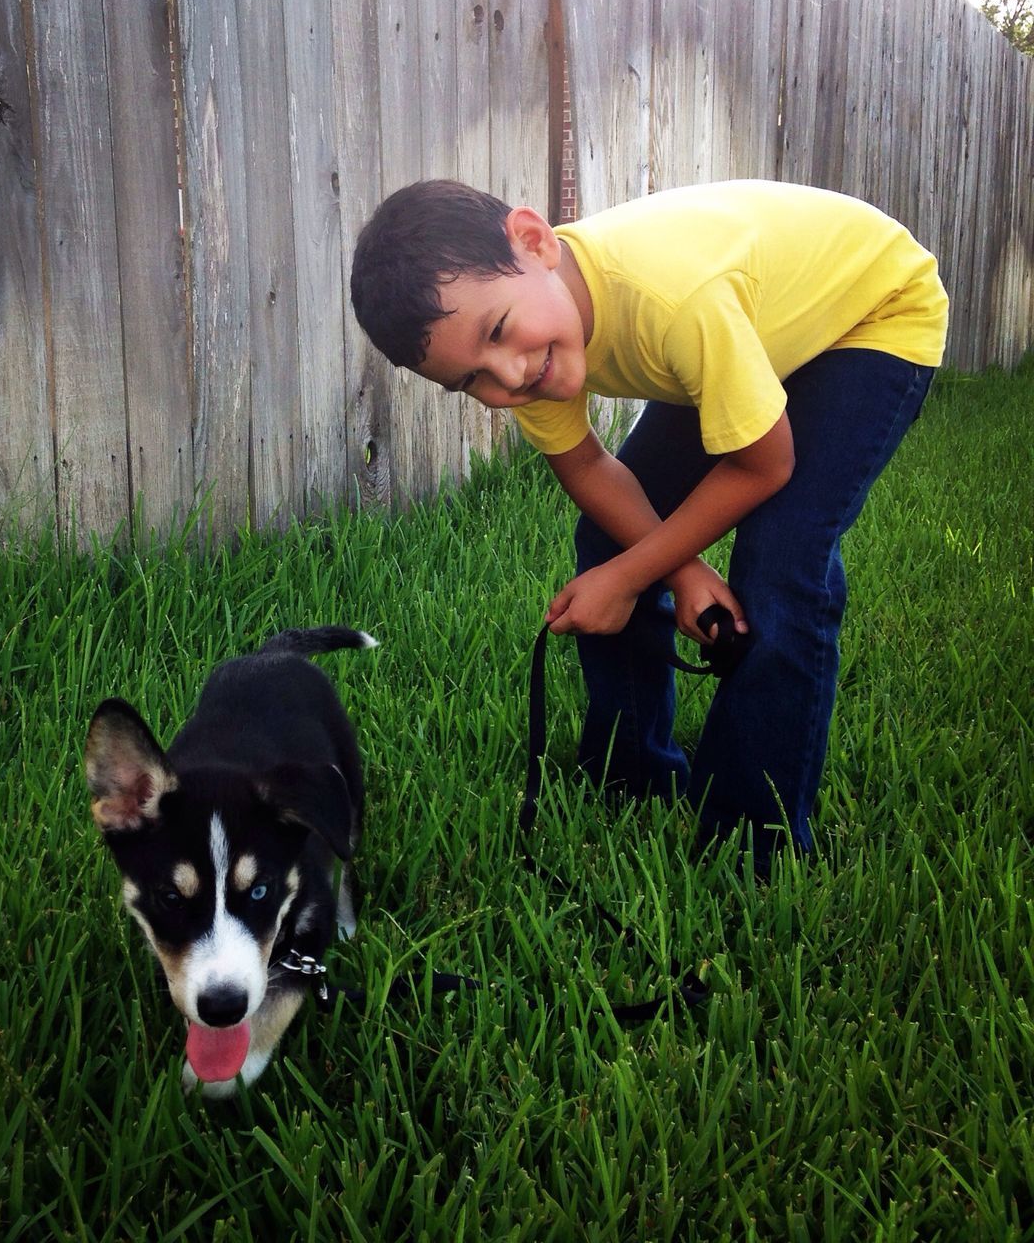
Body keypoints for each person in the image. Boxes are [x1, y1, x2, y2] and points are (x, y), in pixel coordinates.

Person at [349, 178, 948, 873]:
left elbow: (764, 464)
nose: (509, 378)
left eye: (499, 332)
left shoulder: (674, 299)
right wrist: (682, 570)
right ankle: (633, 773)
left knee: (782, 556)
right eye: (472, 381)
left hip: (871, 315)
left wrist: (634, 576)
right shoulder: (526, 355)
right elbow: (589, 472)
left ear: (535, 242)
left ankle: (752, 843)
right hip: (757, 329)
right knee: (609, 538)